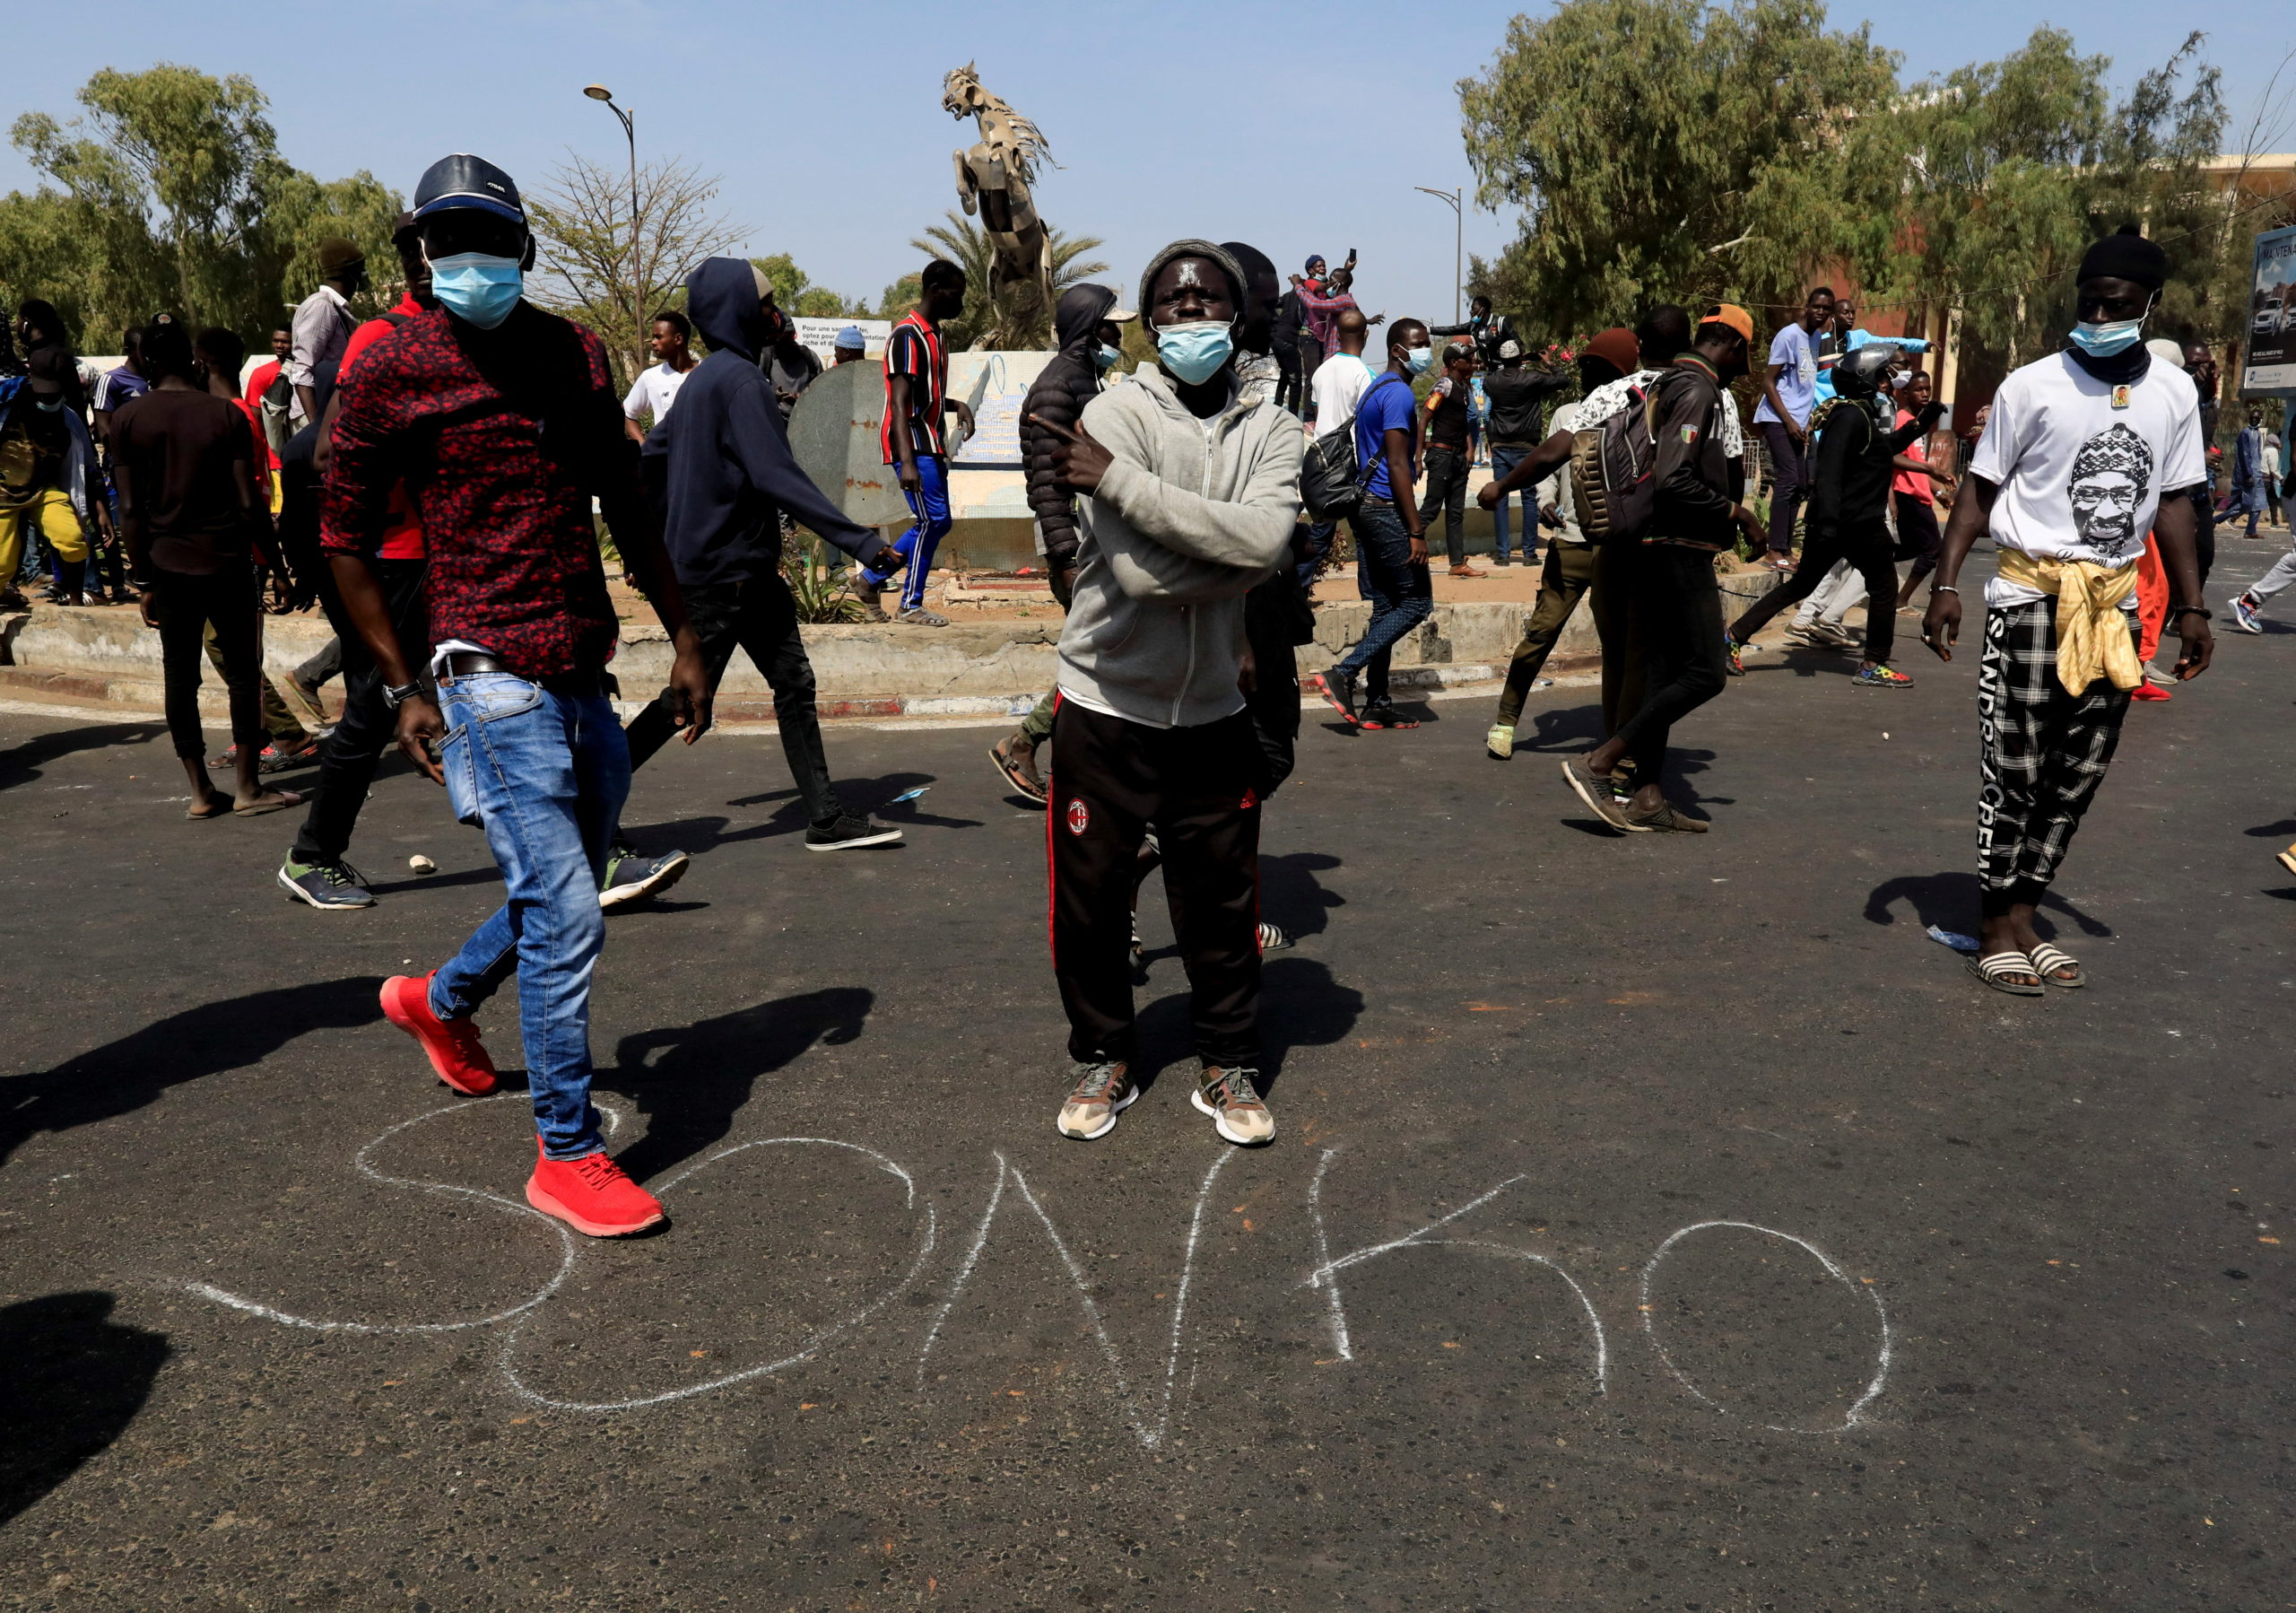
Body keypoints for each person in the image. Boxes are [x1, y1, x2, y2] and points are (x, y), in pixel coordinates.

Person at [323, 152, 712, 1239]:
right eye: (449, 242)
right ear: (419, 253)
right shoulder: (388, 363)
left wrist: (683, 633)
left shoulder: (575, 353)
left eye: (491, 240)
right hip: (479, 671)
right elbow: (341, 537)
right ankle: (567, 1152)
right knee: (571, 907)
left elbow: (627, 503)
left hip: (581, 666)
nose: (472, 261)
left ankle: (435, 1000)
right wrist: (402, 681)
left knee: (561, 889)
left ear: (526, 250)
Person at [1036, 239, 1300, 1148]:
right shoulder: (1115, 409)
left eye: (1210, 303)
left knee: (1221, 902)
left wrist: (1117, 483)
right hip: (1106, 703)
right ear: (1151, 325)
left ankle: (1227, 1063)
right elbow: (1144, 578)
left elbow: (1267, 545)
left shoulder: (1274, 425)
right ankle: (1102, 1052)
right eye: (1177, 307)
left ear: (1238, 314)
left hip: (1215, 709)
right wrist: (1225, 557)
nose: (1195, 319)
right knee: (1093, 899)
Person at [1920, 226, 2211, 995]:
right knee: (2013, 771)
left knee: (2076, 774)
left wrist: (2192, 605)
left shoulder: (2175, 393)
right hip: (2029, 599)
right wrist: (1944, 585)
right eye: (2089, 302)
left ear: (2149, 306)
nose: (2099, 315)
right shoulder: (2030, 385)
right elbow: (1979, 491)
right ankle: (1992, 928)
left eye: (2116, 304)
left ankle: (2026, 915)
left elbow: (2177, 502)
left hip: (2113, 610)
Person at [620, 257, 904, 860]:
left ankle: (824, 815)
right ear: (737, 311)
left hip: (740, 567)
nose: (774, 313)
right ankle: (581, 808)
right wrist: (860, 541)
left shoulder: (703, 381)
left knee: (793, 683)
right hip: (728, 576)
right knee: (684, 701)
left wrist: (670, 535)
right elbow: (777, 475)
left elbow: (649, 459)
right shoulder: (741, 383)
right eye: (765, 302)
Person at [277, 218, 445, 909]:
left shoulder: (476, 341)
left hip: (460, 559)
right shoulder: (382, 338)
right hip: (398, 561)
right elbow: (325, 453)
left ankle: (591, 843)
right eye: (419, 254)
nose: (429, 267)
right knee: (378, 707)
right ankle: (312, 855)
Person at [1561, 306, 1763, 833]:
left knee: (1663, 674)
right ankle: (1601, 762)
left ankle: (1648, 794)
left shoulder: (1667, 383)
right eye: (1748, 349)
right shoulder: (1698, 389)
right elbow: (1674, 478)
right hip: (1678, 546)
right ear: (1731, 344)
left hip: (1653, 544)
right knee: (1706, 673)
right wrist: (1736, 512)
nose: (1749, 361)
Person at [110, 322, 298, 818]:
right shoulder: (224, 415)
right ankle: (247, 789)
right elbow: (248, 502)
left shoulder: (127, 420)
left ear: (147, 363)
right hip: (228, 562)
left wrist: (142, 579)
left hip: (167, 566)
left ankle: (199, 791)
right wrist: (277, 565)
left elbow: (128, 509)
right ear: (193, 362)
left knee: (180, 678)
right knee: (243, 677)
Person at [1724, 344, 1943, 689]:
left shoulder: (1860, 413)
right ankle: (1874, 663)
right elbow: (1829, 471)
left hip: (1844, 521)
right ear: (1865, 377)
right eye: (1884, 374)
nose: (1889, 380)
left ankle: (1733, 637)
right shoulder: (1850, 416)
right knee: (1884, 587)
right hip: (1853, 521)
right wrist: (1826, 522)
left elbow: (1883, 450)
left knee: (1804, 583)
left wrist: (1922, 423)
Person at [992, 283, 1132, 802]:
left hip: (1088, 536)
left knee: (1106, 649)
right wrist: (1063, 553)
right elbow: (1047, 483)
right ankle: (1025, 743)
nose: (1118, 335)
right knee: (1103, 652)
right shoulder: (1058, 384)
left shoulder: (1083, 377)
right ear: (1089, 328)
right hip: (1072, 538)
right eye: (1110, 325)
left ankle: (1044, 747)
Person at [1480, 327, 1640, 758]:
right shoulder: (1567, 414)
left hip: (1615, 549)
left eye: (1597, 368)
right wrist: (1547, 500)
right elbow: (1549, 469)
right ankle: (1506, 721)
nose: (1588, 375)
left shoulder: (1636, 414)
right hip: (1570, 543)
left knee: (1617, 647)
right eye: (1584, 367)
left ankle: (1613, 736)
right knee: (1540, 633)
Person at [1309, 318, 1434, 731]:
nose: (1425, 350)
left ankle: (1378, 701)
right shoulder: (1398, 394)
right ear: (1398, 348)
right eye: (1418, 344)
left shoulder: (1376, 387)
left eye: (1427, 343)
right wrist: (1416, 530)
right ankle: (1343, 672)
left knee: (1386, 605)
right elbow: (1399, 463)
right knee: (1416, 603)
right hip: (1384, 506)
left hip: (1363, 506)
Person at [857, 260, 973, 625]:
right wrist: (906, 461)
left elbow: (927, 394)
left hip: (930, 441)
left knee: (937, 521)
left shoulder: (934, 335)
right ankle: (909, 603)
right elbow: (899, 402)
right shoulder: (907, 336)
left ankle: (870, 579)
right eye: (956, 294)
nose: (961, 303)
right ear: (936, 290)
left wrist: (957, 405)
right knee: (932, 519)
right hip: (912, 444)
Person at [1752, 286, 1836, 569]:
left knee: (1800, 485)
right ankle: (1774, 552)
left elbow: (1804, 385)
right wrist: (1788, 421)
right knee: (1787, 480)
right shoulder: (1789, 336)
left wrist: (1805, 422)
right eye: (1817, 306)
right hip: (1777, 418)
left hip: (1798, 423)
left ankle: (1786, 551)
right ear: (1807, 305)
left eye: (1826, 308)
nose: (1821, 312)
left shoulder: (1815, 337)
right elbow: (1768, 381)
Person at [1300, 306, 1375, 584]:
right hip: (1352, 462)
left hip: (1322, 460)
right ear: (1365, 334)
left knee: (1321, 532)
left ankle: (1297, 589)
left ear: (1337, 334)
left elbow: (1320, 416)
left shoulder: (1321, 371)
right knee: (1365, 534)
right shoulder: (1365, 374)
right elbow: (1368, 425)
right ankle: (1370, 598)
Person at [1482, 339, 1572, 565]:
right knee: (1529, 499)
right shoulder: (1532, 379)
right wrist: (1548, 363)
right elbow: (1563, 381)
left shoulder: (1491, 382)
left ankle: (1503, 554)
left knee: (1500, 497)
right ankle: (1529, 553)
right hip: (1526, 446)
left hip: (1500, 445)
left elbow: (1492, 376)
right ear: (1521, 358)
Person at [1889, 371, 1956, 610]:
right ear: (1905, 392)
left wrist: (1938, 493)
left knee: (1912, 548)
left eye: (1927, 388)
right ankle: (1900, 599)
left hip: (1920, 496)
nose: (1925, 393)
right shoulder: (1902, 421)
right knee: (1932, 551)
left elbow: (1917, 466)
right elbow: (1893, 457)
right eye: (1919, 389)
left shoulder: (1919, 423)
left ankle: (1864, 561)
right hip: (1907, 496)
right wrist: (1931, 470)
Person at [1419, 342, 1484, 577]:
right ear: (1455, 363)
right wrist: (1418, 458)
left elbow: (1463, 423)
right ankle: (1405, 549)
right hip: (1443, 454)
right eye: (1467, 359)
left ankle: (1457, 563)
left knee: (1456, 512)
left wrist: (1469, 449)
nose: (1472, 363)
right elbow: (1424, 419)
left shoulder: (1462, 388)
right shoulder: (1443, 387)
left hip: (1458, 457)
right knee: (1431, 508)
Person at [289, 239, 367, 426]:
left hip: (328, 414)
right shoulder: (321, 307)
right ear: (349, 272)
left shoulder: (336, 308)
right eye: (361, 268)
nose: (365, 274)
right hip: (314, 417)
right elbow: (301, 371)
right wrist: (316, 428)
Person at [621, 310, 696, 443]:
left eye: (658, 337)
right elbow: (629, 414)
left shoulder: (706, 373)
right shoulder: (650, 377)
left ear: (678, 339)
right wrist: (644, 447)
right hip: (665, 461)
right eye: (653, 337)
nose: (653, 342)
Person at [1430, 294, 1520, 368]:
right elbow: (1451, 330)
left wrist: (1521, 365)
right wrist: (1428, 330)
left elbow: (1518, 342)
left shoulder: (1500, 322)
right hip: (1491, 372)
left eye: (1474, 308)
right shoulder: (1473, 326)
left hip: (1506, 369)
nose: (1471, 311)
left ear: (1482, 310)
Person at [765, 307, 823, 421]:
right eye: (781, 340)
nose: (785, 345)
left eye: (788, 339)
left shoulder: (810, 357)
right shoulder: (767, 358)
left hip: (804, 421)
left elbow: (823, 391)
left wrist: (803, 399)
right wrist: (774, 396)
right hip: (777, 422)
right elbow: (756, 393)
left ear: (794, 335)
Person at [2231, 406, 2268, 539]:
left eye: (2256, 418)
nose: (2254, 420)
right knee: (2246, 503)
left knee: (2260, 503)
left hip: (2258, 472)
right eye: (2252, 418)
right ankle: (2219, 518)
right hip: (2250, 473)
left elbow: (2257, 454)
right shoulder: (2245, 433)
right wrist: (2248, 474)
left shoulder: (2258, 433)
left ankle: (2250, 530)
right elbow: (2244, 455)